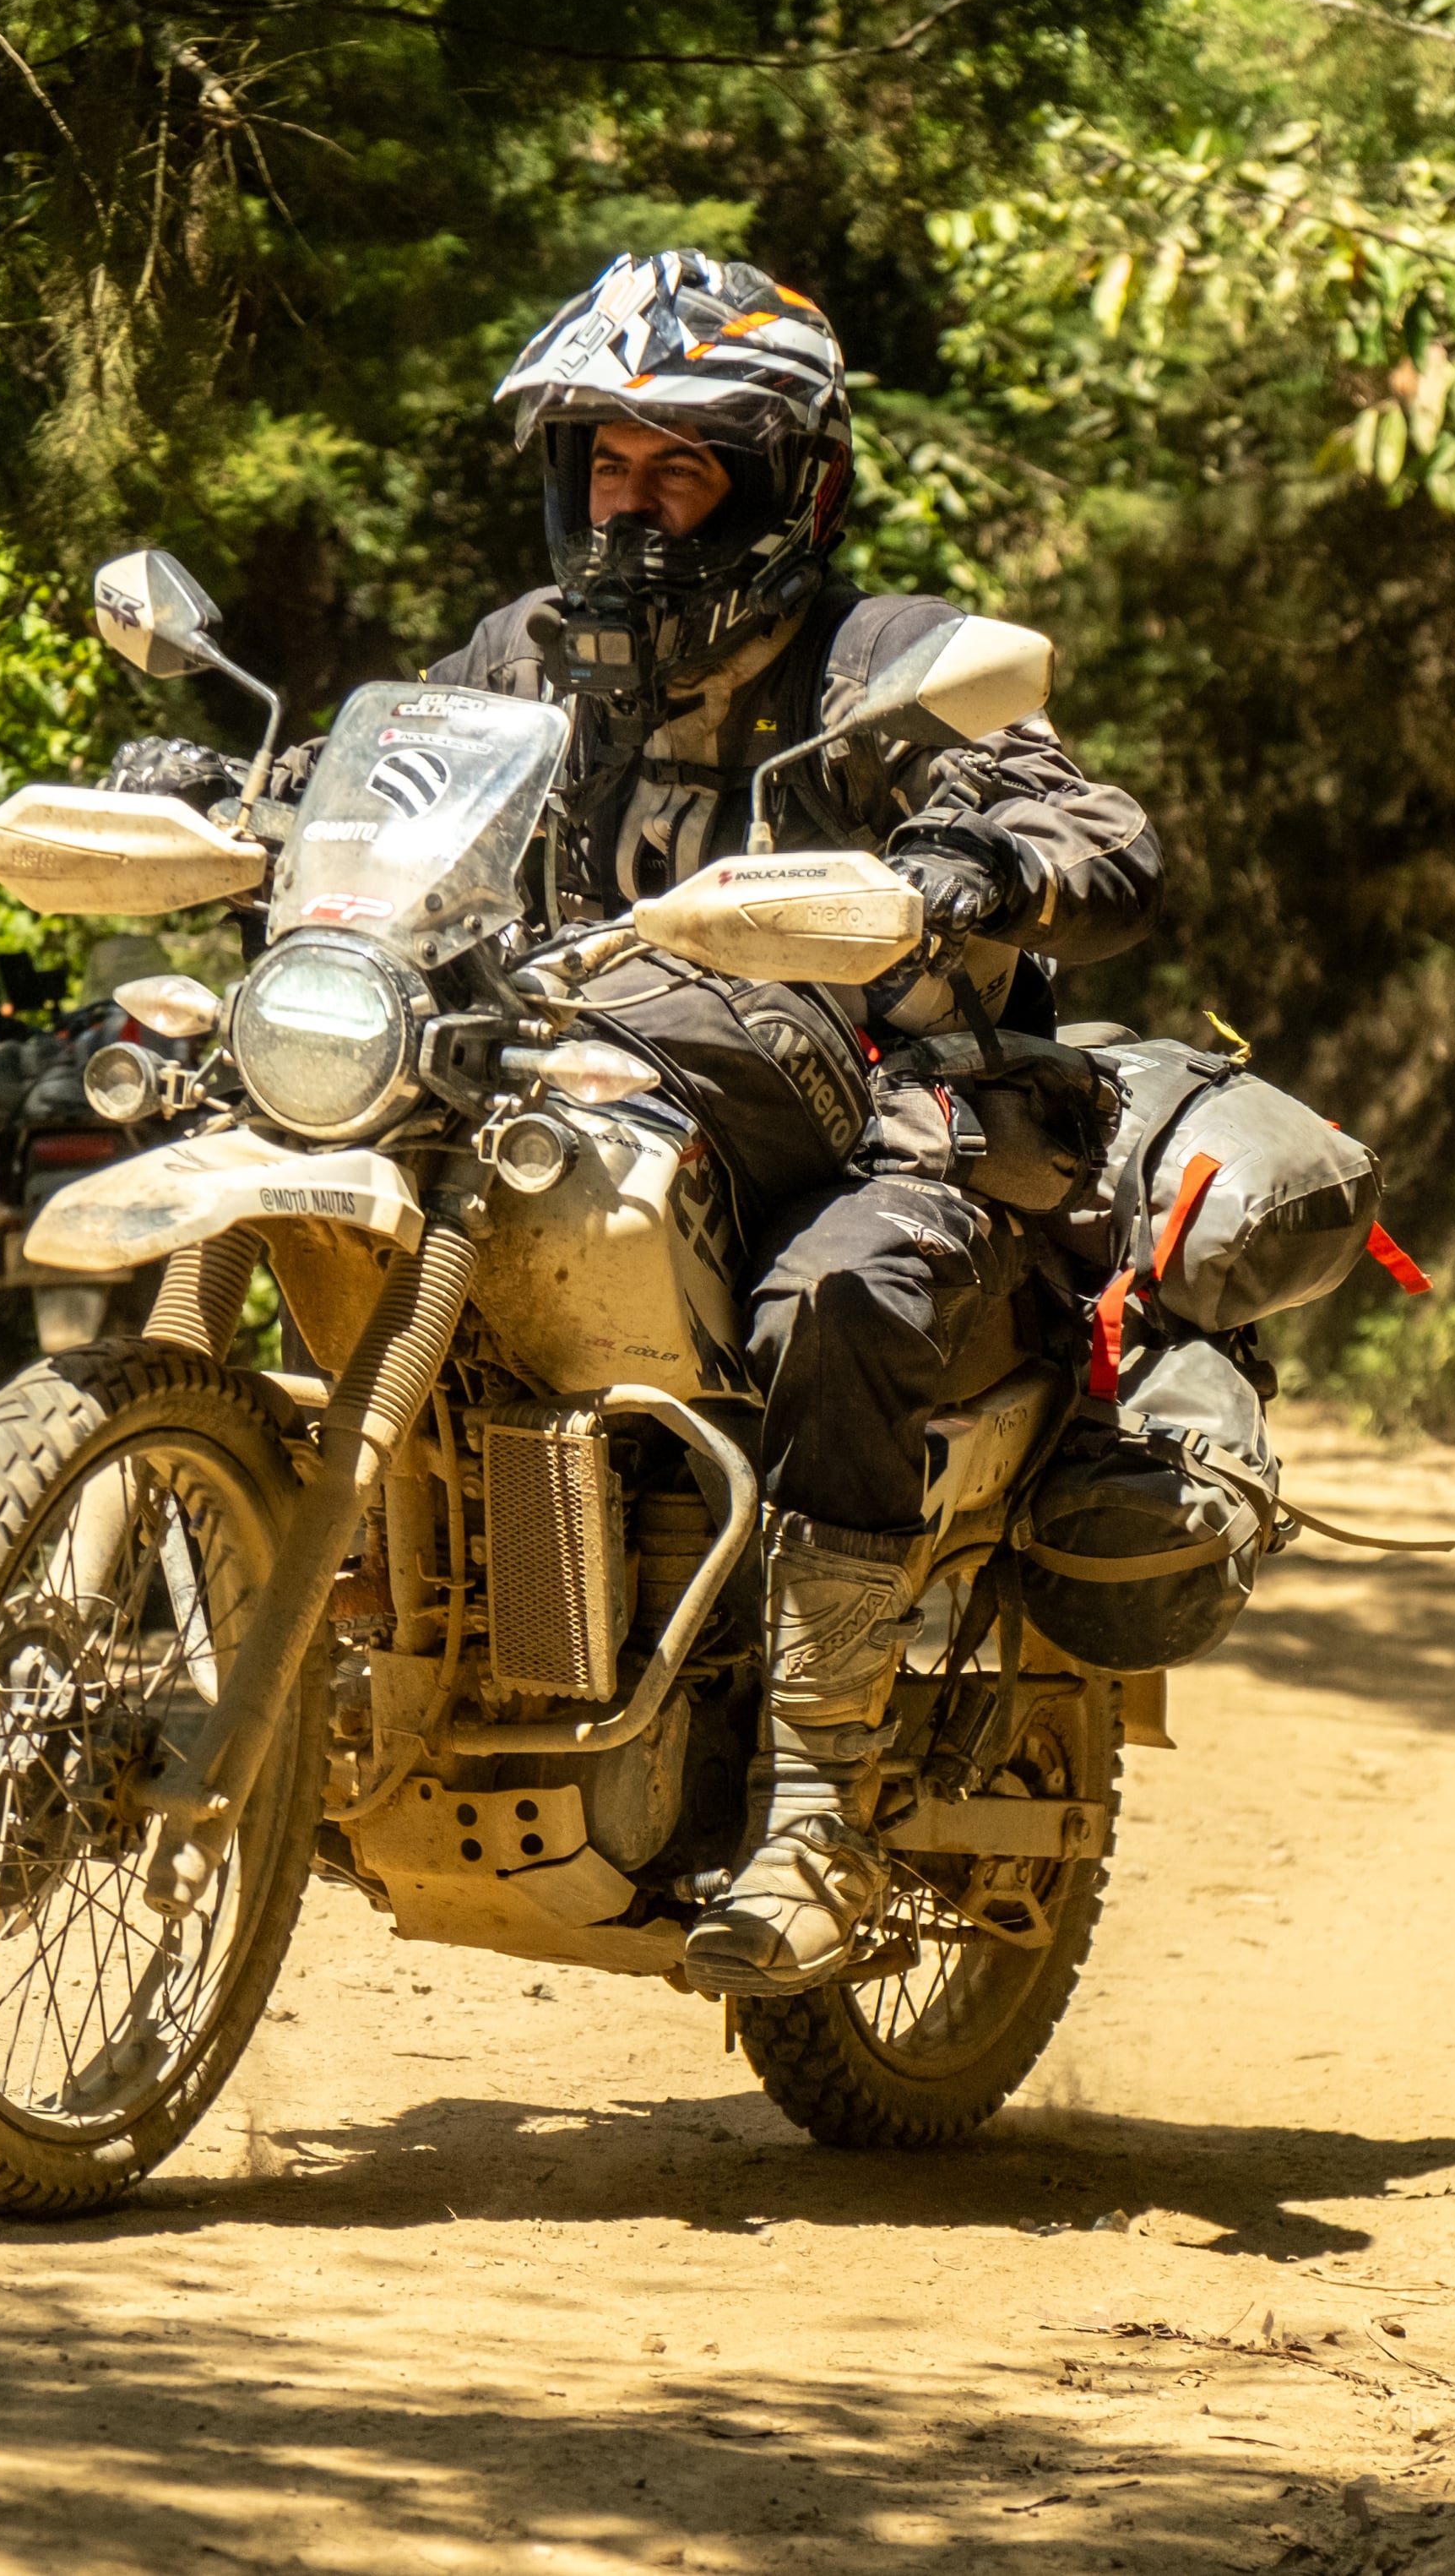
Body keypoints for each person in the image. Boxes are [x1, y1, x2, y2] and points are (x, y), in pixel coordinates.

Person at [429, 250, 1162, 1995]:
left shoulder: (884, 665)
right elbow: (372, 791)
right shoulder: (515, 661)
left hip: (879, 1137)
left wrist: (980, 864)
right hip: (572, 1106)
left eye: (680, 467)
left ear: (782, 485)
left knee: (833, 1301)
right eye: (604, 462)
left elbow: (1103, 831)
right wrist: (244, 789)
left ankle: (818, 1804)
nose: (633, 506)